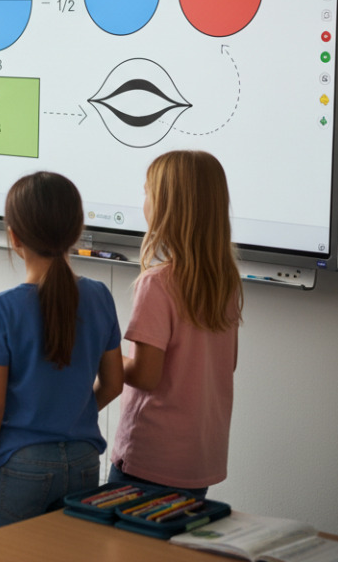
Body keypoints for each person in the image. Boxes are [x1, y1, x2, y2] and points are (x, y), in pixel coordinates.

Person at [0, 172, 124, 529]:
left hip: (21, 464)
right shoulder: (100, 296)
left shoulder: (1, 308)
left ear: (14, 235)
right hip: (84, 462)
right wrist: (70, 413)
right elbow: (113, 384)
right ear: (76, 229)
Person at [109, 150, 243, 501]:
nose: (144, 203)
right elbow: (227, 364)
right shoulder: (226, 283)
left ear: (169, 207)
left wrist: (104, 356)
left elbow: (145, 375)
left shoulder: (157, 284)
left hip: (150, 457)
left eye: (147, 193)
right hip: (198, 458)